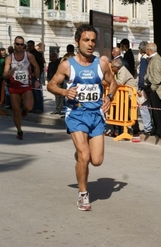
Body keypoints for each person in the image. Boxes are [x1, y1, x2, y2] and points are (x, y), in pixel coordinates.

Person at [47, 24, 118, 211]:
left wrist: (109, 98)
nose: (90, 44)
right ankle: (83, 194)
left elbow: (113, 83)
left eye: (93, 40)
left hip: (96, 115)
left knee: (96, 160)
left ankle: (80, 156)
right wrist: (64, 92)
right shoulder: (67, 65)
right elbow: (51, 85)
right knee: (85, 156)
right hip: (76, 114)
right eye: (86, 40)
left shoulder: (101, 64)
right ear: (77, 41)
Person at [3, 36, 40, 140]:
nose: (19, 46)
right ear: (14, 45)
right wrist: (9, 73)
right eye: (17, 44)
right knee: (16, 111)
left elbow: (36, 66)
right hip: (14, 87)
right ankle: (19, 131)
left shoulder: (29, 56)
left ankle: (25, 108)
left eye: (21, 44)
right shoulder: (9, 58)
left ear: (24, 45)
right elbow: (4, 74)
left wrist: (37, 79)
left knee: (29, 107)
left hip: (26, 86)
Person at [144, 43, 161, 138]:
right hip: (154, 90)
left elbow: (158, 78)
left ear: (149, 50)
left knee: (158, 112)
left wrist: (152, 88)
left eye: (146, 49)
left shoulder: (156, 60)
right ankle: (156, 128)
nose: (145, 51)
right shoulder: (153, 59)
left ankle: (159, 130)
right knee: (154, 111)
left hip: (156, 90)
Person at [137, 41, 153, 135]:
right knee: (148, 107)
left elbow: (142, 74)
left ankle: (147, 127)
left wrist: (140, 86)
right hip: (149, 85)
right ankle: (150, 126)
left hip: (144, 86)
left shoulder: (144, 59)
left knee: (143, 106)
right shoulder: (150, 58)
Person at [27, 40, 45, 113]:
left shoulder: (37, 54)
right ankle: (33, 107)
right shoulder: (28, 54)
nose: (29, 47)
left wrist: (36, 73)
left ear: (33, 45)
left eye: (30, 45)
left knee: (37, 91)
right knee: (32, 92)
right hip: (29, 75)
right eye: (28, 45)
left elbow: (40, 66)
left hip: (36, 75)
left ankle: (39, 108)